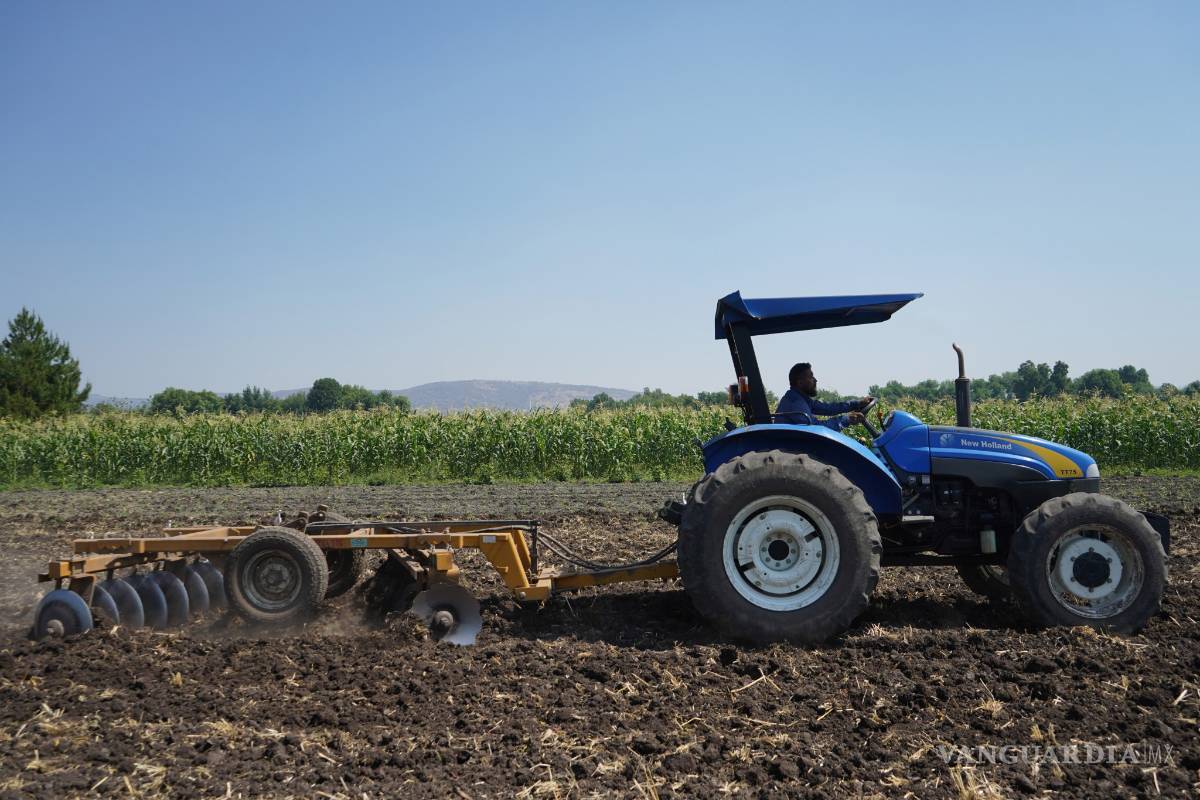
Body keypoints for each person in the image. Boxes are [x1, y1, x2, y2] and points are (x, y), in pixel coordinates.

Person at [775, 362, 873, 431]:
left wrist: (856, 404)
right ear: (800, 383)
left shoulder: (802, 399)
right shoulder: (795, 402)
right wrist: (847, 419)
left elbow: (827, 408)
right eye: (811, 377)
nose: (815, 380)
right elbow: (816, 429)